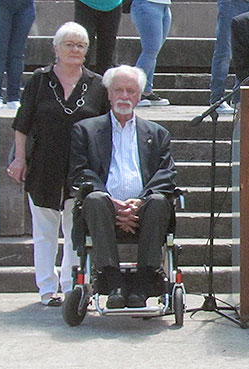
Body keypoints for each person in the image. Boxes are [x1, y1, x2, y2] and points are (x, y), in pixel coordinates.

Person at [7, 22, 109, 306]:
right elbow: (22, 124)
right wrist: (18, 158)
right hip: (43, 166)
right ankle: (46, 288)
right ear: (56, 48)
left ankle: (70, 286)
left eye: (80, 45)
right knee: (44, 232)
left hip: (80, 169)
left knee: (75, 231)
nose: (75, 50)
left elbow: (104, 127)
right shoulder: (40, 80)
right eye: (69, 44)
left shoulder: (98, 84)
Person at [68, 65, 177, 309]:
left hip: (145, 210)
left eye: (130, 91)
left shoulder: (158, 134)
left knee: (160, 202)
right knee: (94, 199)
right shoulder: (85, 131)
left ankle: (144, 283)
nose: (124, 96)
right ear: (108, 94)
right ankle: (111, 281)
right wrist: (112, 202)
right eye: (119, 90)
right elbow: (80, 172)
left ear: (139, 96)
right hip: (102, 209)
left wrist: (139, 202)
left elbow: (166, 173)